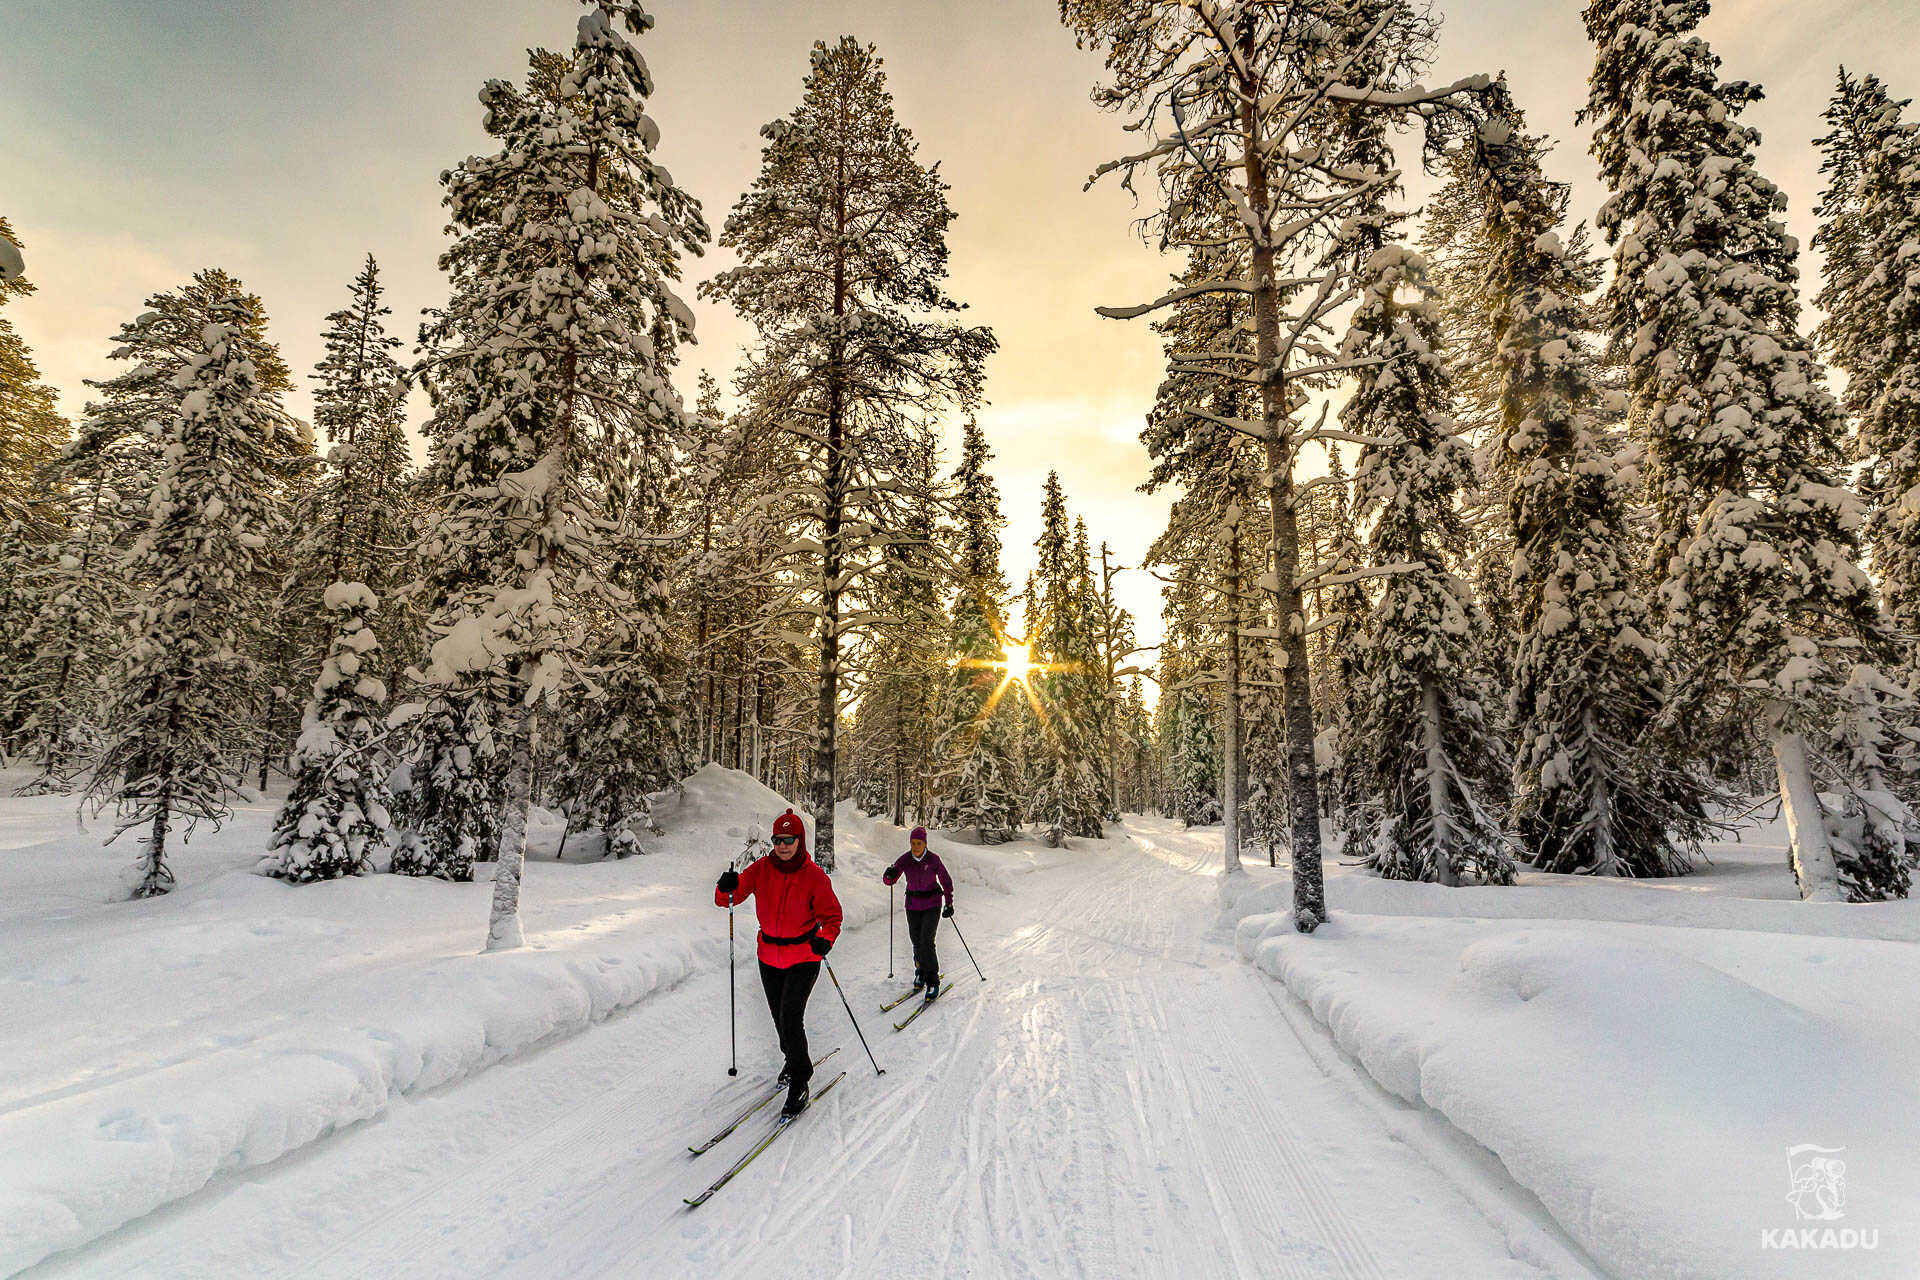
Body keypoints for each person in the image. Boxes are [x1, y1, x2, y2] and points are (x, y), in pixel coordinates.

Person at [715, 809, 843, 1115]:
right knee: (778, 1018)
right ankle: (792, 1058)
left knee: (790, 1017)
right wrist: (727, 885)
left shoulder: (814, 877)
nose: (783, 845)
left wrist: (825, 937)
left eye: (789, 839)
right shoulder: (761, 869)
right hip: (768, 956)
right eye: (777, 840)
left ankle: (800, 1080)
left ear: (799, 840)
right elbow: (727, 900)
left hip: (803, 956)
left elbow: (832, 917)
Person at [882, 826, 954, 1000]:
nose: (915, 847)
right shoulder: (905, 859)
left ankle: (932, 981)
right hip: (913, 905)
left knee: (927, 942)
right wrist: (889, 875)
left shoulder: (933, 859)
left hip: (932, 904)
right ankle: (920, 972)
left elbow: (946, 880)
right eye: (913, 843)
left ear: (925, 843)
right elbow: (889, 880)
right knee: (916, 942)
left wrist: (949, 903)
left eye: (919, 843)